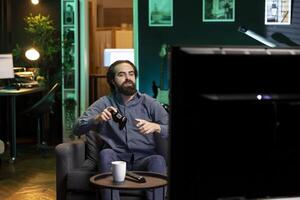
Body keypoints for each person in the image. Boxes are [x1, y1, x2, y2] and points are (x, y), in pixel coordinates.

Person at [74, 60, 169, 200]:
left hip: (144, 158)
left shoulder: (149, 103)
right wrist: (96, 119)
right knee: (105, 154)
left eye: (131, 74)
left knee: (158, 160)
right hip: (115, 159)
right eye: (121, 75)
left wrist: (157, 127)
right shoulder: (104, 103)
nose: (128, 78)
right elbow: (76, 128)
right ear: (113, 81)